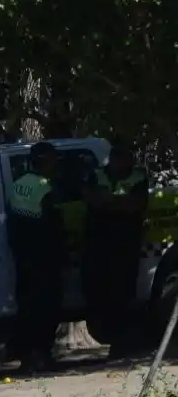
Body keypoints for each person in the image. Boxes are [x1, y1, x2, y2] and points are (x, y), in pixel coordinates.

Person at [83, 144, 149, 359]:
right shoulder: (97, 175)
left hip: (125, 247)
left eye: (126, 159)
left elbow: (134, 206)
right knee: (101, 296)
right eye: (118, 158)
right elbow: (93, 201)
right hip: (99, 246)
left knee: (124, 296)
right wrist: (117, 203)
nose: (122, 163)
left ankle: (122, 344)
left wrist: (108, 203)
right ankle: (109, 338)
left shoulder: (138, 178)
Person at [7, 142, 66, 371]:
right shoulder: (44, 186)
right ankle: (43, 353)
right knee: (47, 307)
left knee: (27, 306)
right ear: (45, 161)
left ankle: (26, 356)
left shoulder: (17, 184)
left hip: (23, 255)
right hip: (44, 255)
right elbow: (53, 222)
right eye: (53, 160)